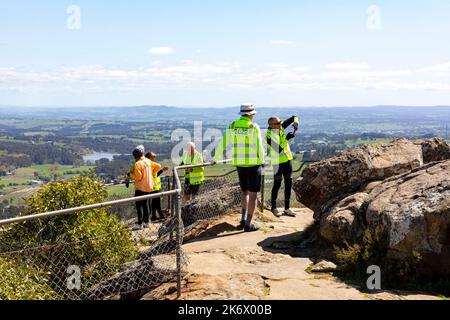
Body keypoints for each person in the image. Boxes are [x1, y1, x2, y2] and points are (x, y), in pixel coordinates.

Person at [214, 104, 265, 232]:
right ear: (250, 114)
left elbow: (223, 143)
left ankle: (242, 220)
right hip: (253, 164)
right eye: (253, 114)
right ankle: (248, 224)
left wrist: (215, 158)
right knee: (253, 195)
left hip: (239, 164)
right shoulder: (253, 127)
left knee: (244, 192)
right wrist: (263, 160)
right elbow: (259, 146)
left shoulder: (232, 126)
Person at [266, 115, 299, 217]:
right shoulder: (269, 136)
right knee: (277, 184)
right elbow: (277, 149)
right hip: (277, 162)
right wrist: (287, 138)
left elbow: (294, 117)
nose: (280, 124)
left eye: (280, 122)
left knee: (288, 184)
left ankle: (287, 208)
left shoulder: (280, 126)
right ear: (271, 125)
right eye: (278, 123)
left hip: (287, 160)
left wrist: (296, 124)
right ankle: (274, 208)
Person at [129, 145, 161, 230]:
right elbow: (158, 166)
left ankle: (140, 224)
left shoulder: (137, 164)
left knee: (139, 205)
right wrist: (152, 174)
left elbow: (138, 177)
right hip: (149, 186)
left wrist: (130, 175)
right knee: (145, 204)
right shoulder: (147, 161)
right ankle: (146, 222)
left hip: (140, 187)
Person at [145, 152, 169, 221]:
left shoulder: (151, 165)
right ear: (149, 158)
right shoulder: (149, 166)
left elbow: (155, 175)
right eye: (153, 157)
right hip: (153, 187)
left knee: (155, 203)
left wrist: (162, 170)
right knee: (156, 203)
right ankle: (159, 216)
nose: (154, 158)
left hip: (155, 187)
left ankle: (155, 216)